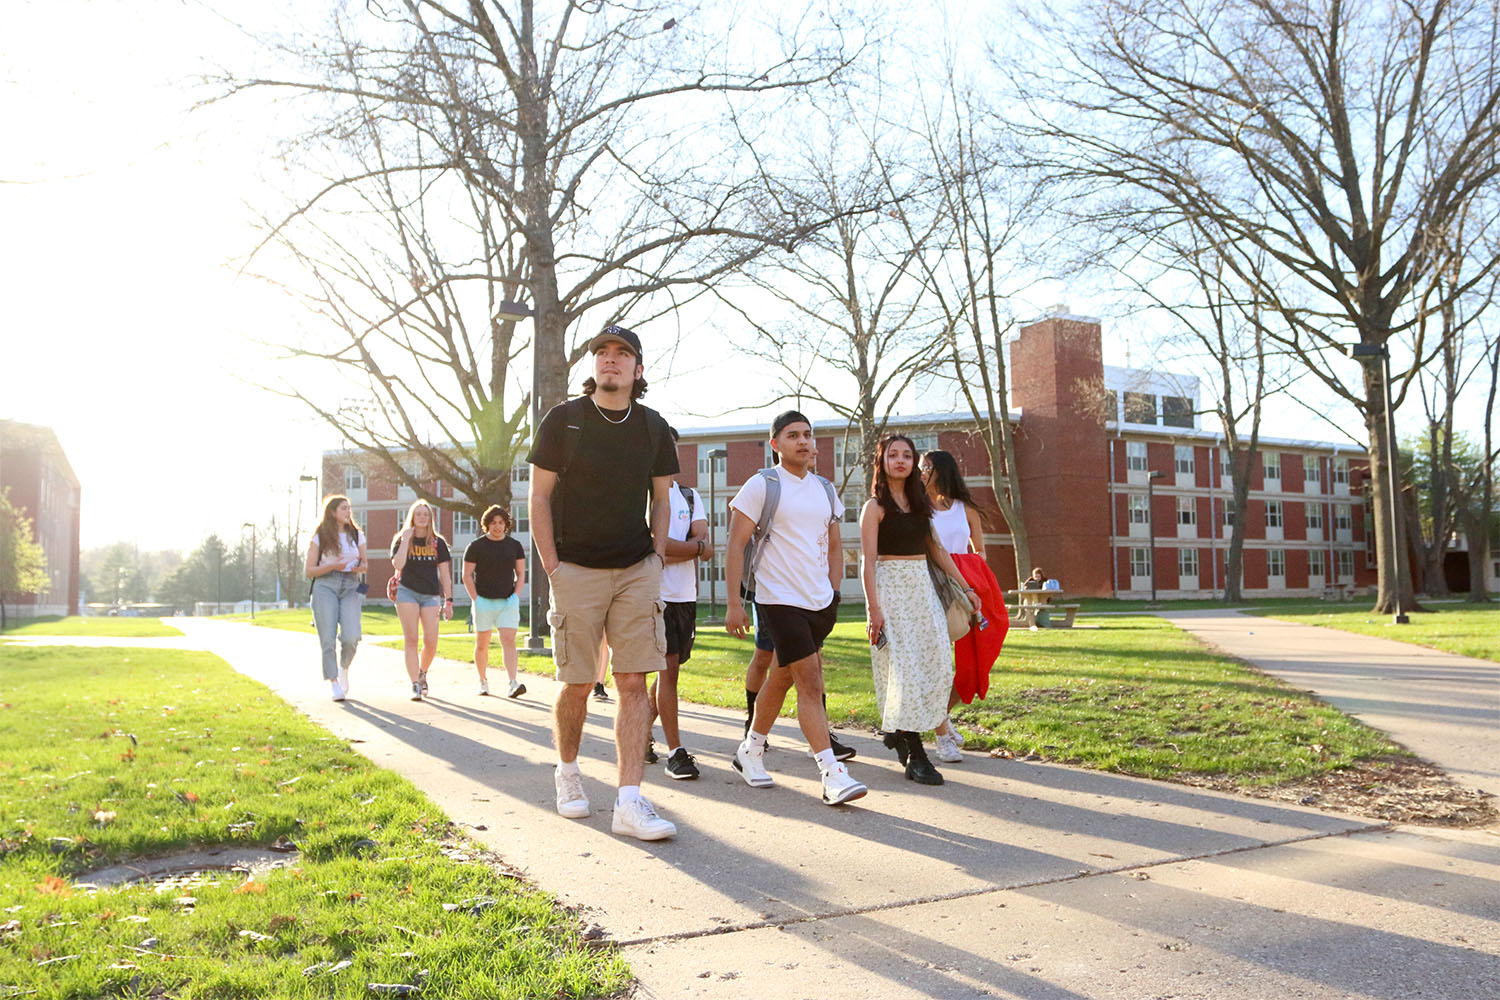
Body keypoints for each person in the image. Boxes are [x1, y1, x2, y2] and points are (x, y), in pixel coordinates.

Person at [527, 323, 679, 841]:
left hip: (636, 567)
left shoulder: (654, 428)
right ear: (593, 366)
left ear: (638, 369)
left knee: (634, 681)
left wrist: (657, 557)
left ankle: (630, 802)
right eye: (602, 353)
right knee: (577, 681)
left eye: (622, 353)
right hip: (575, 569)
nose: (610, 360)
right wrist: (553, 566)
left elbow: (662, 499)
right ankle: (568, 773)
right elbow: (539, 497)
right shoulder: (564, 422)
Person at [724, 411, 866, 806]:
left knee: (783, 676)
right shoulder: (762, 485)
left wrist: (834, 591)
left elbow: (836, 545)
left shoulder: (824, 488)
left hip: (819, 601)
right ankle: (831, 773)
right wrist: (735, 603)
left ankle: (750, 750)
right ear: (775, 444)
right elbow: (735, 545)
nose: (802, 441)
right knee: (810, 680)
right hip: (777, 599)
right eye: (792, 435)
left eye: (807, 434)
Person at [861, 435, 976, 785]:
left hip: (922, 589)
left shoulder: (921, 504)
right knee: (905, 669)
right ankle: (916, 753)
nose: (900, 461)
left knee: (938, 663)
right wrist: (872, 609)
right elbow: (867, 562)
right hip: (890, 589)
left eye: (907, 455)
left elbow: (938, 552)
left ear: (914, 463)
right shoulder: (874, 507)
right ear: (881, 462)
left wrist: (967, 588)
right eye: (893, 455)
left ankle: (898, 730)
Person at [921, 448, 1001, 762]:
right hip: (931, 587)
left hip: (964, 586)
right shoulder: (918, 508)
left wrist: (965, 570)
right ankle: (941, 733)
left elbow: (980, 550)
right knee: (939, 662)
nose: (922, 472)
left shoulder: (964, 508)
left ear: (942, 471)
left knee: (972, 663)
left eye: (927, 467)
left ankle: (942, 715)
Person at [649, 428, 708, 779]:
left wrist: (674, 548)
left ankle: (641, 733)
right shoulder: (642, 495)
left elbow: (704, 541)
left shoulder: (688, 495)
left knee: (669, 671)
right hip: (654, 597)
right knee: (667, 670)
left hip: (686, 596)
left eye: (670, 446)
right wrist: (691, 549)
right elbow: (650, 547)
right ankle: (676, 752)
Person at [305, 495, 367, 702]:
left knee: (351, 636)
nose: (348, 512)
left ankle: (344, 668)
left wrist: (361, 568)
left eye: (349, 508)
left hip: (351, 585)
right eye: (343, 508)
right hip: (325, 585)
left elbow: (365, 563)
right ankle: (333, 682)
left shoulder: (357, 535)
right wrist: (332, 566)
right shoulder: (320, 536)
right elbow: (309, 571)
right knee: (328, 639)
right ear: (332, 513)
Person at [462, 505, 527, 698]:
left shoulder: (514, 546)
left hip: (507, 602)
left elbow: (521, 573)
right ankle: (483, 682)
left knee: (508, 641)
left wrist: (516, 596)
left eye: (501, 523)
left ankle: (512, 683)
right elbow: (466, 575)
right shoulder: (476, 547)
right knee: (482, 643)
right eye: (493, 523)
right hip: (484, 602)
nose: (497, 526)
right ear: (487, 525)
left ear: (506, 524)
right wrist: (476, 599)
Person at [391, 500, 452, 701]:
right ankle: (415, 684)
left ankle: (422, 672)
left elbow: (445, 574)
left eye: (426, 514)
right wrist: (405, 540)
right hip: (407, 592)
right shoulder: (402, 539)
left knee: (431, 642)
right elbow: (398, 564)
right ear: (412, 517)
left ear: (430, 518)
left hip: (430, 595)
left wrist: (448, 600)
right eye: (418, 514)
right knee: (411, 639)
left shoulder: (437, 542)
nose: (422, 517)